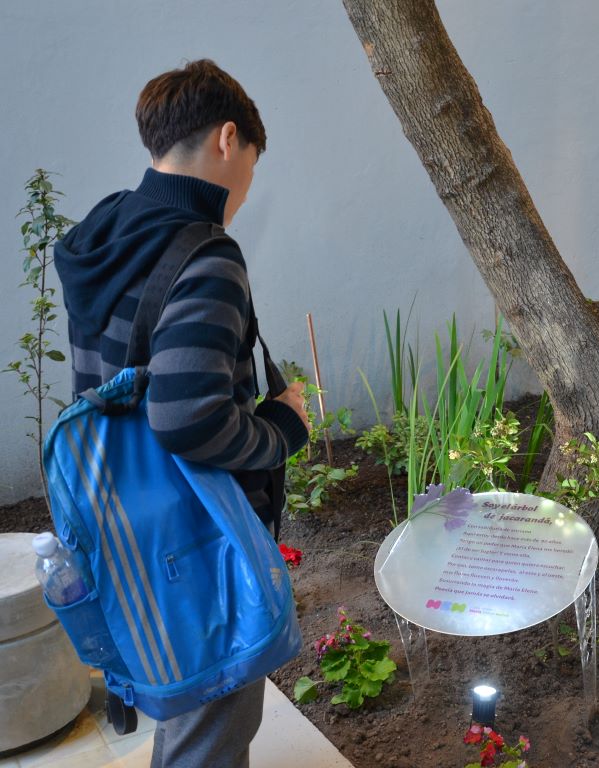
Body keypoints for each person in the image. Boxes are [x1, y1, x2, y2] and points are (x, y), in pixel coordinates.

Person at [54, 59, 310, 768]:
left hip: (122, 515)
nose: (247, 189)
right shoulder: (205, 255)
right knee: (213, 728)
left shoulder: (106, 227)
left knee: (182, 688)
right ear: (228, 139)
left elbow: (123, 382)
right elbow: (189, 420)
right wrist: (284, 423)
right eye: (252, 166)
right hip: (194, 534)